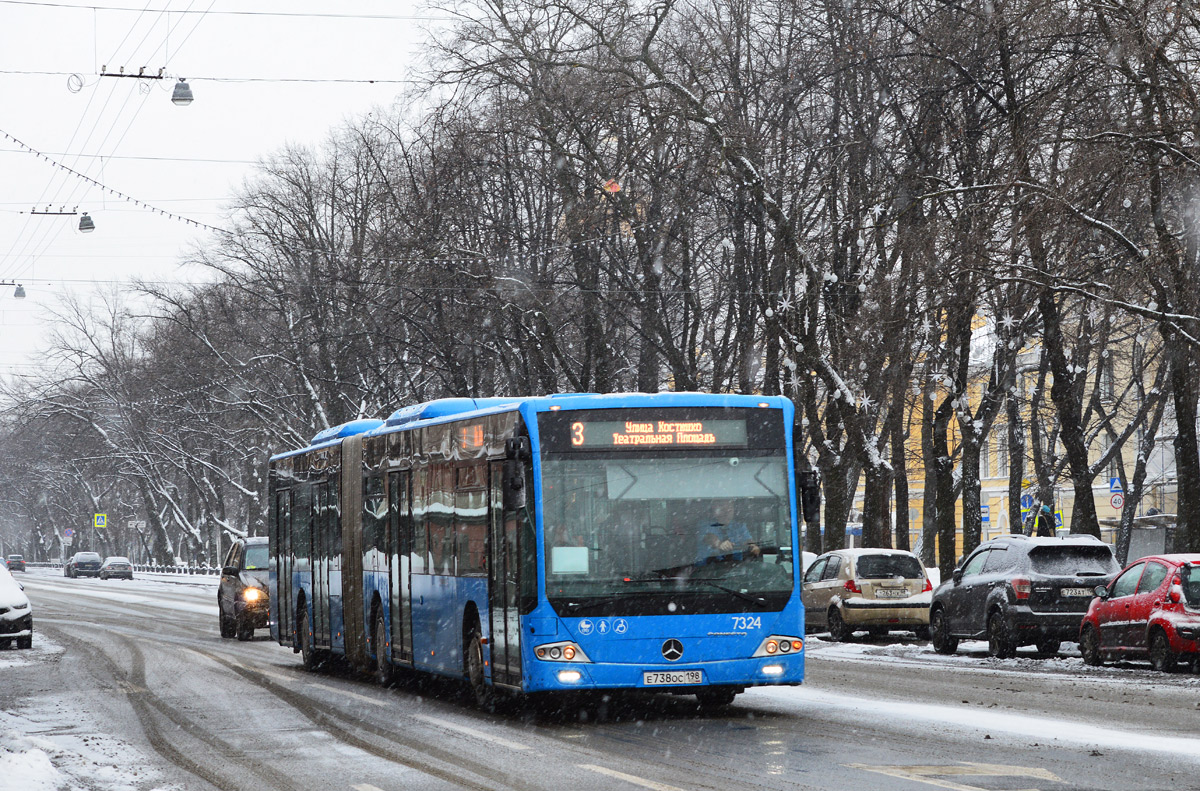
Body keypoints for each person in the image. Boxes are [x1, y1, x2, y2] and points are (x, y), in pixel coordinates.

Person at [695, 499, 760, 564]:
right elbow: (709, 537)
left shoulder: (739, 526)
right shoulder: (705, 524)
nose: (727, 513)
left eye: (730, 509)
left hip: (735, 568)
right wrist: (719, 544)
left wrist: (753, 547)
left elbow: (748, 541)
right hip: (706, 569)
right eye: (723, 509)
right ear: (714, 508)